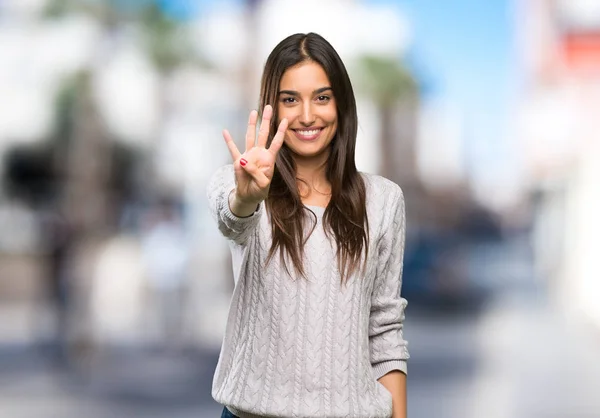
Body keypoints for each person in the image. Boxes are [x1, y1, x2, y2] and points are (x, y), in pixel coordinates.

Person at [207, 32, 409, 418]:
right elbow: (232, 220)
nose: (306, 115)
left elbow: (385, 331)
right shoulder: (238, 184)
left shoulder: (384, 201)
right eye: (290, 99)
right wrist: (248, 196)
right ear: (273, 107)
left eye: (321, 97)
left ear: (341, 104)